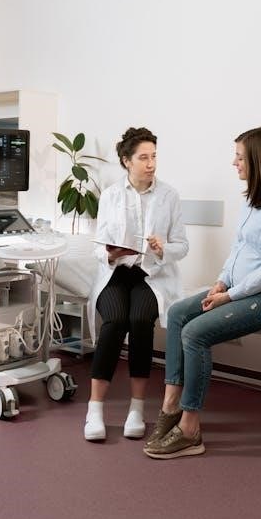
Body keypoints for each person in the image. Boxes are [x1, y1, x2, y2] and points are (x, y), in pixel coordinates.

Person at [143, 126, 261, 459]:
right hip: (243, 290)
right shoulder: (252, 200)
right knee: (178, 313)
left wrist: (230, 296)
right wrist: (221, 282)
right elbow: (238, 250)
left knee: (195, 333)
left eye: (240, 157)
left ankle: (190, 430)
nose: (234, 163)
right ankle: (171, 406)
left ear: (259, 160)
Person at [85, 127, 189, 441]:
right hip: (116, 273)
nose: (151, 163)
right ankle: (94, 409)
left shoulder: (169, 196)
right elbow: (97, 245)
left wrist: (162, 248)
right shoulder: (111, 195)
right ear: (126, 161)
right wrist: (110, 253)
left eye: (153, 156)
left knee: (141, 321)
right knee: (115, 321)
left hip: (152, 275)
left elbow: (182, 246)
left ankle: (137, 408)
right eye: (143, 157)